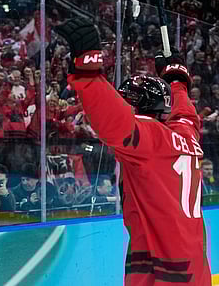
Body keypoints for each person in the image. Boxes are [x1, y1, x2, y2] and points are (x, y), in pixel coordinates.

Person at [56, 18, 211, 285]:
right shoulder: (186, 134)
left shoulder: (149, 139)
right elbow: (185, 112)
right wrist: (176, 78)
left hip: (162, 266)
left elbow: (113, 120)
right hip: (195, 261)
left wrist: (88, 70)